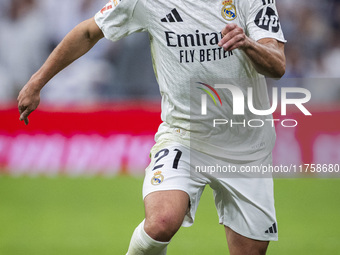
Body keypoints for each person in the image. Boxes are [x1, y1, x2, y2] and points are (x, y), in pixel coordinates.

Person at [17, 0, 286, 254]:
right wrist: (36, 82)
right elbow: (88, 32)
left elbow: (277, 64)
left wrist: (248, 44)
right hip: (184, 135)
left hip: (247, 144)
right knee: (161, 221)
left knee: (251, 250)